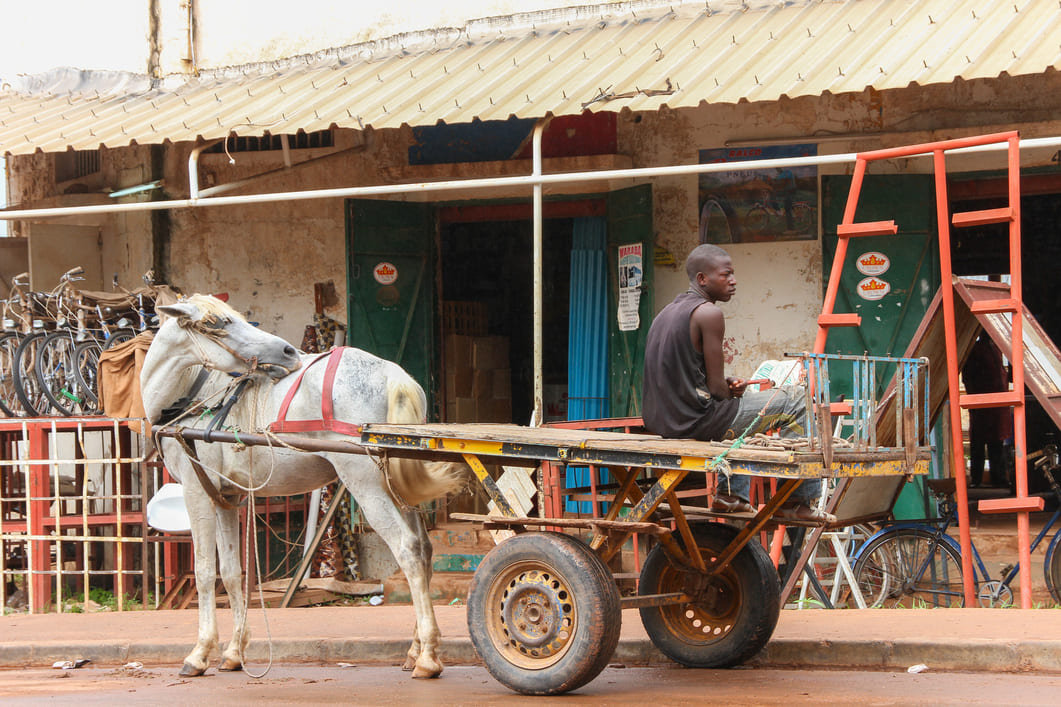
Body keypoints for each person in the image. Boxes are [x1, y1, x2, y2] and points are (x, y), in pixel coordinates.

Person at [642, 243, 834, 522]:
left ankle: (730, 495)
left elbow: (692, 377)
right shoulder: (709, 314)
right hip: (694, 421)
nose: (733, 281)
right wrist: (728, 389)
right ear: (702, 279)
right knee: (797, 400)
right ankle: (794, 500)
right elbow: (718, 392)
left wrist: (727, 388)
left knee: (746, 413)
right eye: (726, 275)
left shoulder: (666, 313)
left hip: (663, 421)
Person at [962, 333, 1010, 488]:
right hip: (982, 401)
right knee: (978, 442)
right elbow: (968, 375)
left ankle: (998, 478)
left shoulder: (996, 348)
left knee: (996, 441)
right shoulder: (976, 350)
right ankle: (977, 479)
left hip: (996, 403)